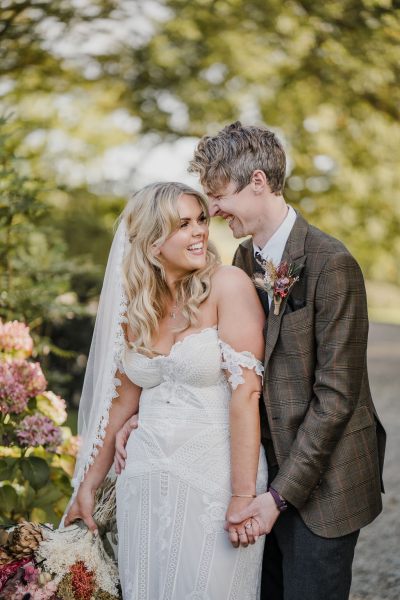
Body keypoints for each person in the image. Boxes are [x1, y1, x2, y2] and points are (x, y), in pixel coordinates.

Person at [116, 122, 386, 600]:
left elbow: (337, 398)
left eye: (217, 196)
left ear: (257, 182)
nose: (213, 212)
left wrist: (277, 497)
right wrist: (146, 419)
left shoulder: (332, 263)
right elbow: (205, 357)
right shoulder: (240, 261)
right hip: (254, 471)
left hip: (323, 482)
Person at [64, 181, 268, 599]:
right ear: (152, 240)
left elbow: (247, 394)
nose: (199, 232)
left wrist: (243, 494)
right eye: (182, 225)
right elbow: (118, 405)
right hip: (145, 477)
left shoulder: (228, 285)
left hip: (218, 477)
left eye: (201, 221)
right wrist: (87, 485)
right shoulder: (136, 308)